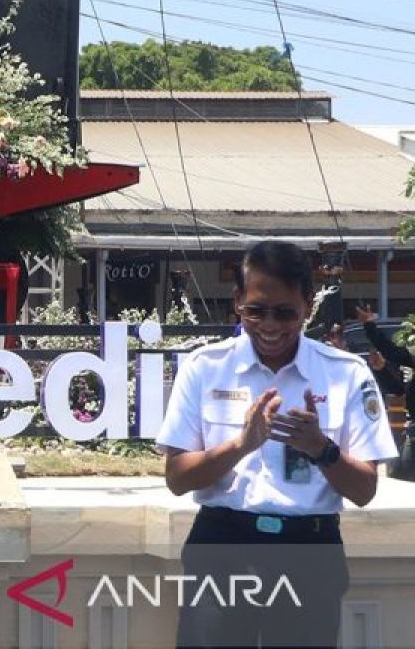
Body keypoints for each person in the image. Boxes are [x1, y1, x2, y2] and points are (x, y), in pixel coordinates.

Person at [157, 240, 397, 649]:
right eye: (256, 310)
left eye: (284, 312)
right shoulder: (205, 368)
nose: (270, 325)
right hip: (223, 547)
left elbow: (364, 490)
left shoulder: (345, 374)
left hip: (309, 551)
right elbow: (178, 479)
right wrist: (240, 445)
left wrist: (321, 448)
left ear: (307, 305)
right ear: (237, 303)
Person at [354, 304, 415, 480]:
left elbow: (392, 352)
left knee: (402, 475)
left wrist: (369, 325)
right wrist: (381, 369)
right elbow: (398, 390)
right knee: (401, 477)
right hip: (411, 433)